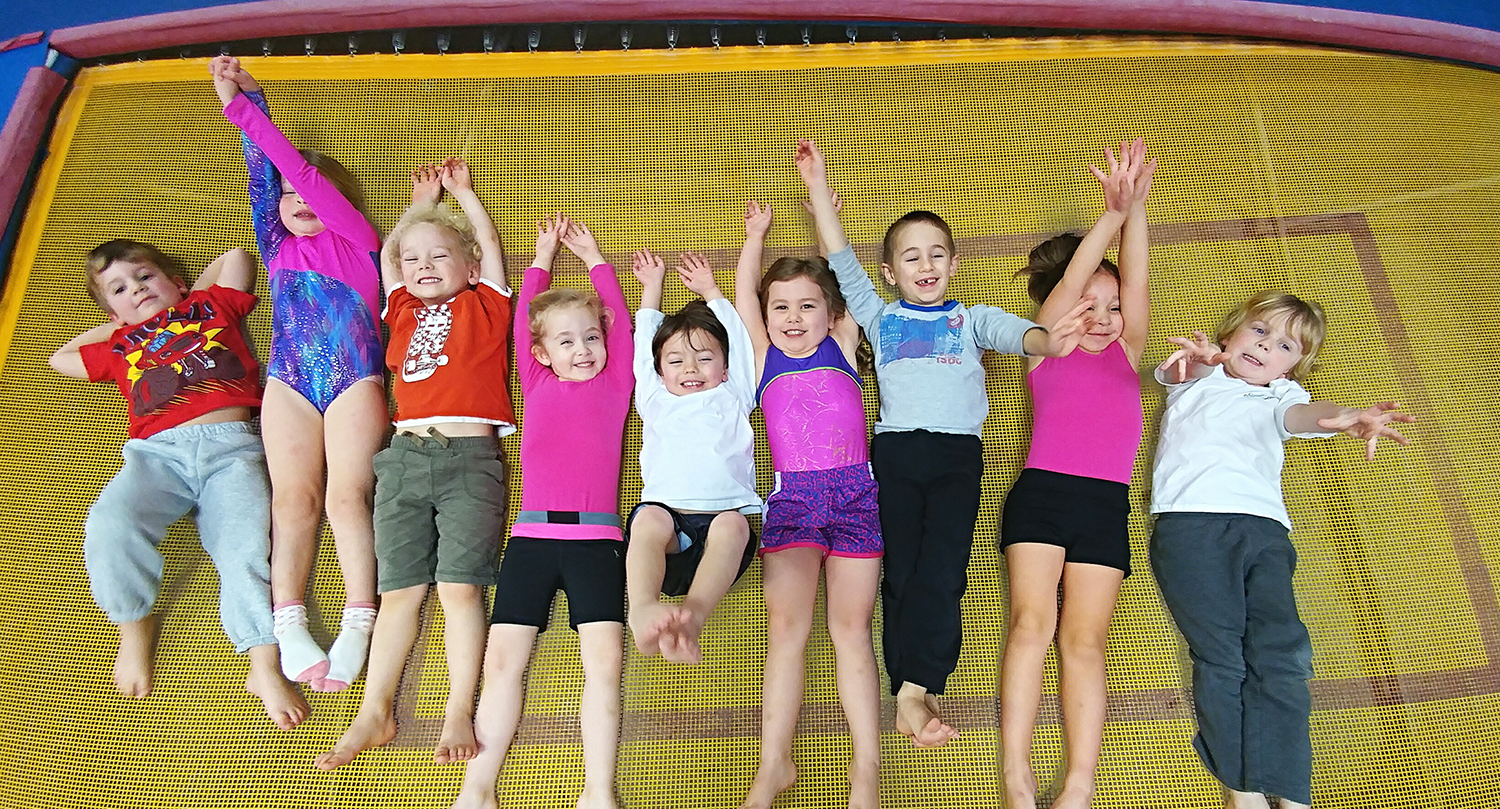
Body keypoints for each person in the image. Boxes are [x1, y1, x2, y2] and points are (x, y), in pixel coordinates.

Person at [796, 138, 1090, 746]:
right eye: (910, 258)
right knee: (901, 568)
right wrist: (819, 192)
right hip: (898, 453)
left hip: (957, 456)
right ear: (890, 273)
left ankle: (918, 683)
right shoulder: (881, 317)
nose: (925, 266)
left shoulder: (971, 318)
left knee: (945, 565)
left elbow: (1020, 335)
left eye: (936, 255)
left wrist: (1049, 343)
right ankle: (908, 685)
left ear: (953, 265)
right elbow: (841, 261)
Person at [1152, 292, 1414, 809]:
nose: (1265, 346)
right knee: (1223, 657)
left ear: (1293, 366)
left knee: (1282, 654)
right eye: (1258, 331)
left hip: (1266, 531)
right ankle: (1241, 787)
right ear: (1231, 334)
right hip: (1191, 526)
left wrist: (1347, 416)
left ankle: (1290, 787)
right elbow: (1178, 370)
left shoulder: (1279, 396)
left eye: (1284, 345)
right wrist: (1201, 360)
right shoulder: (1203, 377)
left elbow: (1303, 415)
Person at [49, 239, 307, 729]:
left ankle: (264, 666)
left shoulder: (209, 307)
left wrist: (186, 300)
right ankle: (133, 624)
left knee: (245, 548)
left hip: (231, 450)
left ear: (178, 283)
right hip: (156, 456)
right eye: (119, 289)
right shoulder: (122, 343)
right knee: (110, 522)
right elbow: (62, 358)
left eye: (145, 277)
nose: (137, 290)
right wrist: (130, 324)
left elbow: (238, 259)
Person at [316, 160, 513, 770]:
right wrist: (417, 208)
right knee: (398, 592)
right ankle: (375, 710)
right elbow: (387, 262)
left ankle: (459, 708)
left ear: (470, 267)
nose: (424, 266)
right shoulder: (399, 309)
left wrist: (463, 198)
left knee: (459, 590)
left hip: (470, 460)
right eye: (414, 260)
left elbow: (491, 253)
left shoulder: (486, 306)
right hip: (403, 457)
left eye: (441, 256)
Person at [210, 55, 386, 691]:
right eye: (287, 197)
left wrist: (240, 106)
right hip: (288, 383)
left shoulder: (360, 239)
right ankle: (288, 622)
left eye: (310, 192)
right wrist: (248, 97)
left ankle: (360, 620)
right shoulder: (277, 246)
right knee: (294, 500)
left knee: (345, 498)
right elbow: (264, 173)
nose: (297, 199)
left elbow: (297, 171)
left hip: (353, 379)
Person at [451, 216, 631, 809]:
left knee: (604, 666)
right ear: (540, 354)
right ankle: (479, 785)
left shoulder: (614, 385)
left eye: (591, 337)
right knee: (503, 664)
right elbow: (526, 307)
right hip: (528, 542)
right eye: (566, 341)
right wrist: (542, 256)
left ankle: (598, 792)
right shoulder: (533, 382)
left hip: (598, 545)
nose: (583, 350)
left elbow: (622, 323)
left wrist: (598, 259)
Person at [998, 139, 1155, 808]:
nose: (1101, 315)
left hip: (1103, 506)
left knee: (1084, 640)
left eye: (1111, 307)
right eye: (1086, 303)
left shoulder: (1128, 351)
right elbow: (1073, 285)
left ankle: (1079, 783)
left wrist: (1137, 209)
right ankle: (1016, 771)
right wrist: (1109, 217)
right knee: (1032, 625)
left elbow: (1138, 281)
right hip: (1042, 496)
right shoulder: (1049, 346)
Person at [733, 199, 882, 809]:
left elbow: (843, 270)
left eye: (807, 305)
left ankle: (866, 771)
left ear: (832, 313)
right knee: (786, 630)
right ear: (766, 318)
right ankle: (773, 765)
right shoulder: (765, 356)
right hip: (792, 500)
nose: (793, 317)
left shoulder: (844, 344)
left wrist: (819, 199)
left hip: (854, 495)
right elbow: (746, 298)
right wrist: (754, 238)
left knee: (852, 630)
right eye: (781, 307)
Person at [625, 249, 760, 665]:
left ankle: (694, 616)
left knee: (735, 525)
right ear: (660, 370)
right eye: (677, 360)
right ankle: (642, 607)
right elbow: (643, 347)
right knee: (647, 518)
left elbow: (741, 343)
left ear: (725, 368)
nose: (692, 368)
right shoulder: (655, 397)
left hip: (721, 534)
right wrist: (652, 289)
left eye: (705, 359)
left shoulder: (734, 393)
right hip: (669, 529)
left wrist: (712, 292)